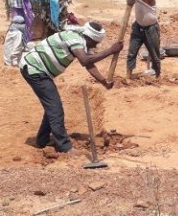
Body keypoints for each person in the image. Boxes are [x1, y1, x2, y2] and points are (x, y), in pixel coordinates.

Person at [19, 22, 123, 153]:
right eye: (95, 42)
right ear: (90, 38)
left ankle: (42, 140)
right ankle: (64, 147)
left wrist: (104, 82)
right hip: (35, 70)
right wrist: (110, 51)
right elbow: (85, 60)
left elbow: (89, 65)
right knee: (55, 109)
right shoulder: (74, 39)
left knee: (52, 107)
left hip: (39, 71)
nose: (96, 46)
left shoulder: (80, 41)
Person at [119, 0, 161, 79]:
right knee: (132, 52)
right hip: (138, 27)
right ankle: (128, 76)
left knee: (154, 54)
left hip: (151, 29)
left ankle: (157, 76)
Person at [3, 0, 33, 66]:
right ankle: (14, 51)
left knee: (25, 26)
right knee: (17, 28)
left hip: (22, 6)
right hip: (17, 6)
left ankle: (23, 45)